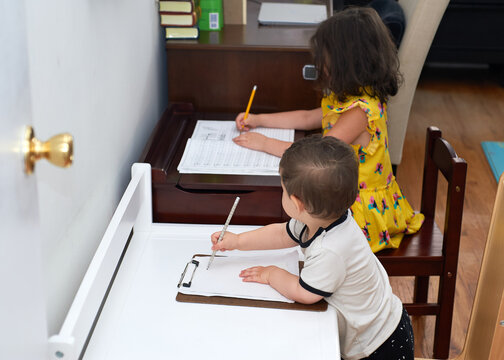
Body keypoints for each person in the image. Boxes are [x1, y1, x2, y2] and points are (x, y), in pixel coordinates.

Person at [232, 7, 423, 253]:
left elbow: (315, 154)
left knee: (303, 224)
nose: (320, 66)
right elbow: (307, 117)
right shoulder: (350, 97)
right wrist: (259, 119)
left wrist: (265, 144)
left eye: (325, 59)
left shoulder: (360, 112)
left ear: (346, 62)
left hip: (360, 211)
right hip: (343, 192)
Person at [211, 136, 414, 360]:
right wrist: (238, 241)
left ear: (298, 204)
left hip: (378, 345)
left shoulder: (330, 248)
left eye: (282, 189)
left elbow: (305, 293)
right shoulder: (320, 217)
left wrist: (271, 274)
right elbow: (281, 234)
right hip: (377, 324)